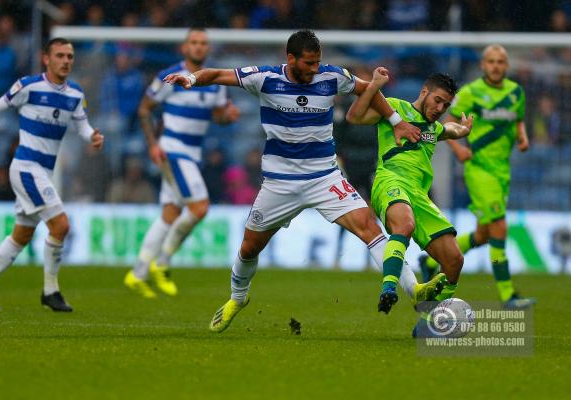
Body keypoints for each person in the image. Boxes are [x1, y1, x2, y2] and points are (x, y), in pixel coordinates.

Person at [164, 29, 444, 333]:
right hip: (279, 183)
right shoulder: (265, 78)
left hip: (324, 177)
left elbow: (370, 91)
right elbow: (215, 74)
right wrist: (191, 79)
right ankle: (238, 298)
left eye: (318, 62)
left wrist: (396, 121)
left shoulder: (332, 77)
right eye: (309, 63)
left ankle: (414, 289)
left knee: (370, 228)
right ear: (291, 58)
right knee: (249, 248)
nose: (315, 69)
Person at [0, 37, 103, 311]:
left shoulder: (75, 94)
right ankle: (50, 291)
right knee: (61, 226)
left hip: (44, 171)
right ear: (46, 58)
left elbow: (82, 126)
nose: (66, 61)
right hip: (26, 167)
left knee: (21, 235)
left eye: (69, 56)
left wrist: (93, 136)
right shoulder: (29, 86)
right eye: (60, 55)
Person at [347, 72, 473, 337]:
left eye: (446, 106)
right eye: (437, 101)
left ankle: (426, 323)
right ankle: (389, 288)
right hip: (389, 180)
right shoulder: (394, 107)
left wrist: (463, 130)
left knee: (454, 261)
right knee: (403, 224)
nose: (440, 109)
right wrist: (374, 86)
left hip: (419, 195)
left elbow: (449, 131)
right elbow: (355, 117)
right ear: (424, 91)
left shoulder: (433, 129)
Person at [124, 28, 240, 298]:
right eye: (194, 43)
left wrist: (228, 116)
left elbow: (218, 117)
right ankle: (162, 263)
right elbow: (144, 109)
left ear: (208, 49)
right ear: (184, 47)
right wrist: (153, 144)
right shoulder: (169, 77)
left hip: (192, 154)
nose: (199, 47)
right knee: (199, 208)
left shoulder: (214, 81)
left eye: (203, 43)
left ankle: (138, 273)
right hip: (172, 150)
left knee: (170, 213)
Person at [418, 45, 535, 309]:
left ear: (506, 66)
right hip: (479, 169)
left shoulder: (516, 92)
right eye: (491, 61)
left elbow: (517, 120)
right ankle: (507, 295)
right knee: (499, 230)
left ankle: (428, 261)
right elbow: (444, 120)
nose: (495, 66)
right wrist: (458, 148)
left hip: (502, 171)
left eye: (500, 62)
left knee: (483, 235)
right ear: (483, 65)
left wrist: (523, 137)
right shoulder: (470, 93)